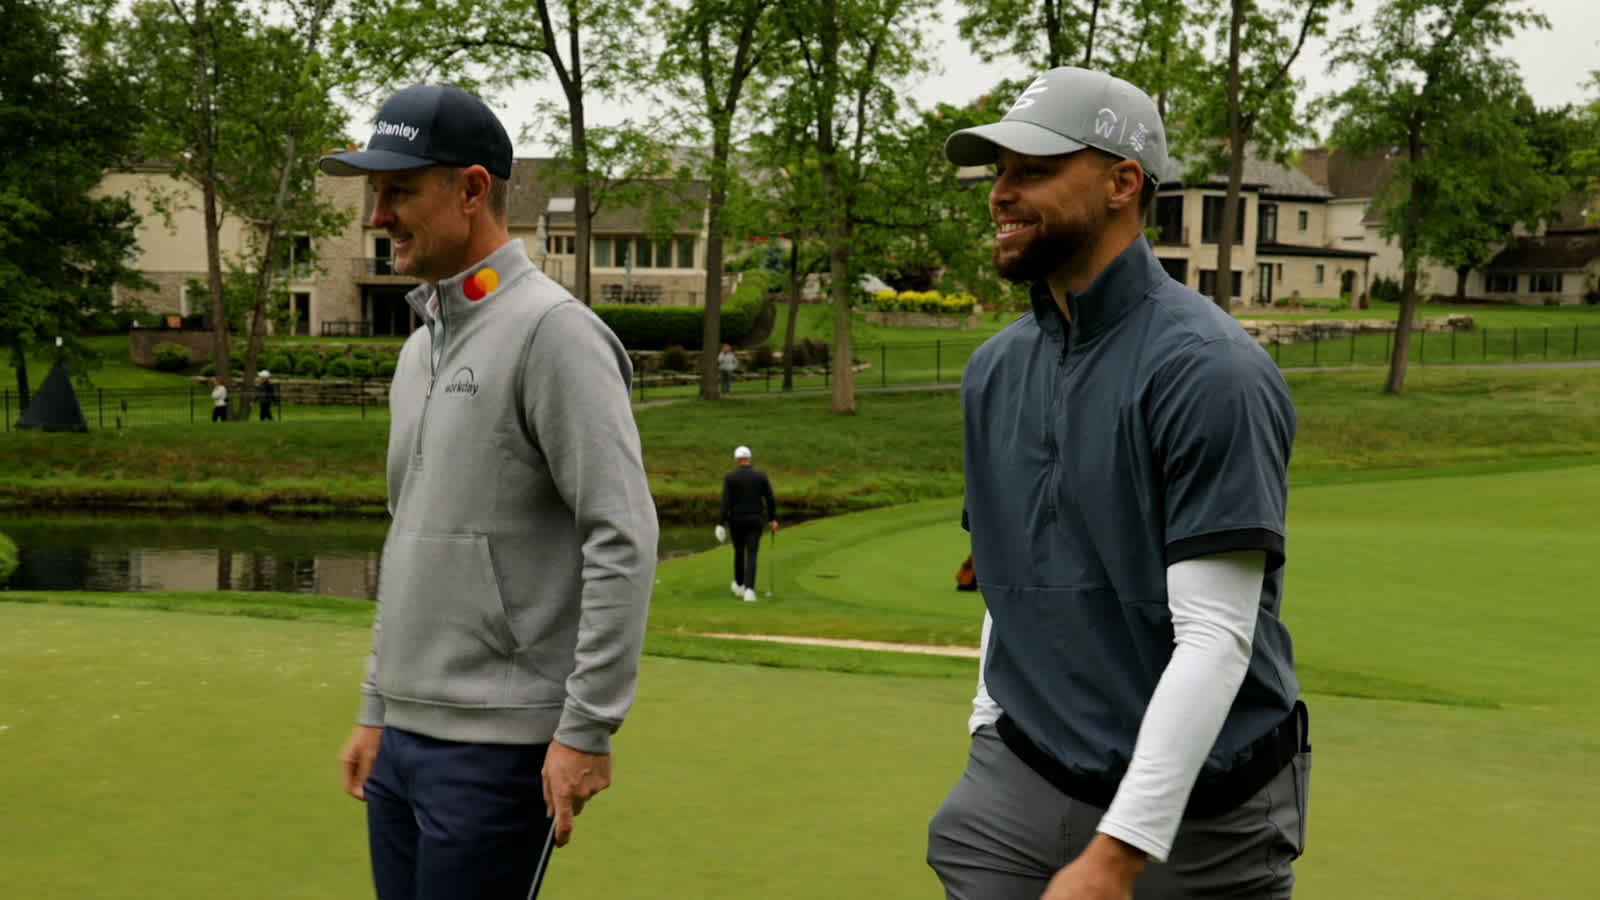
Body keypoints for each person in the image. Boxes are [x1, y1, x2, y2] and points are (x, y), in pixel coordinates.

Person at [927, 67, 1308, 900]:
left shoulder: (1211, 372)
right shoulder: (993, 372)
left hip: (1202, 816)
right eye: (997, 173)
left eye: (1032, 170)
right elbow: (1008, 582)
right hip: (1020, 783)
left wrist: (1116, 853)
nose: (1001, 194)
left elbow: (1214, 638)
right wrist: (987, 734)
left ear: (1121, 184)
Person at [319, 83, 659, 900]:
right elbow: (410, 539)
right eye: (375, 192)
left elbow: (622, 536)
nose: (377, 215)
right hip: (403, 738)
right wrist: (377, 704)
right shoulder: (416, 351)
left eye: (399, 190)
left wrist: (586, 728)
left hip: (499, 751)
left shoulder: (555, 333)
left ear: (471, 190)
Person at [719, 445, 776, 603]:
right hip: (755, 520)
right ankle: (749, 590)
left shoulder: (730, 477)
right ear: (749, 458)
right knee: (752, 554)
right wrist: (772, 519)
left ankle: (739, 585)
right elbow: (770, 499)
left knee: (738, 552)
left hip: (736, 521)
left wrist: (720, 523)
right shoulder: (761, 476)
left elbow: (726, 502)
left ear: (737, 460)